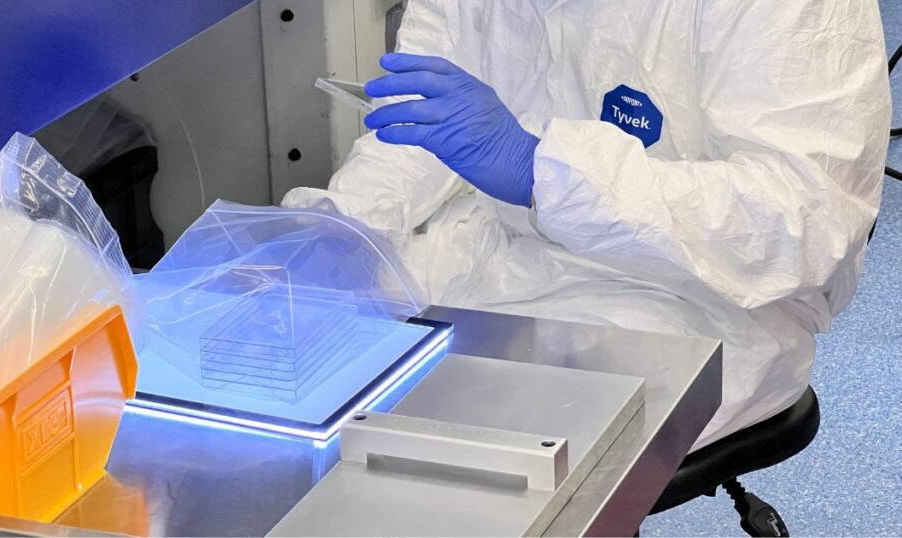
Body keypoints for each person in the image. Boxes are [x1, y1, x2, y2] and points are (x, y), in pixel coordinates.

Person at [283, 0, 892, 449]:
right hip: (501, 245)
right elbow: (427, 124)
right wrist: (353, 224)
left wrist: (543, 172)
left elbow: (804, 223)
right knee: (298, 337)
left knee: (470, 452)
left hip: (700, 297)